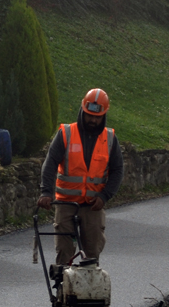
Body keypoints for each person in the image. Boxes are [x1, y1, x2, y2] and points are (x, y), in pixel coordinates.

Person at [37, 88, 124, 266]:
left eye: (97, 117)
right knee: (64, 250)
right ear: (82, 111)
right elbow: (50, 163)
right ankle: (62, 286)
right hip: (66, 203)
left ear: (104, 116)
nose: (92, 120)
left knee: (92, 253)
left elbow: (117, 170)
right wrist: (46, 192)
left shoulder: (110, 139)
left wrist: (105, 196)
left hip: (93, 205)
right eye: (89, 115)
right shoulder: (66, 134)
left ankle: (89, 288)